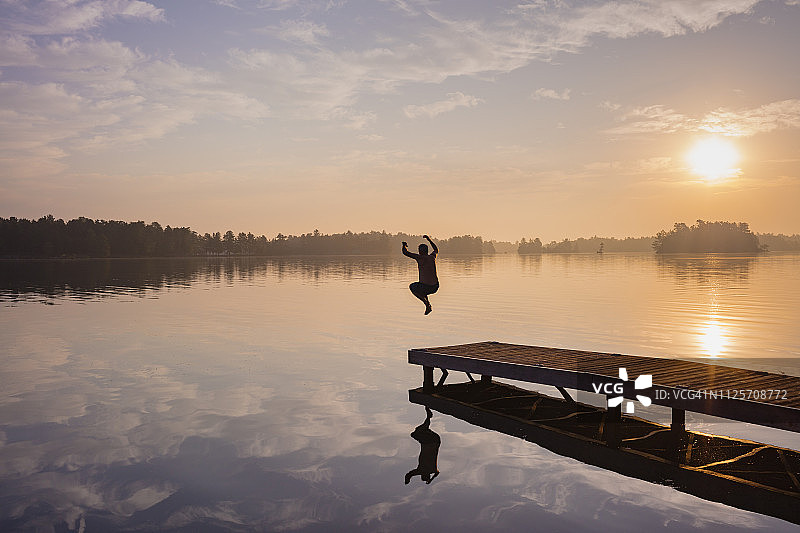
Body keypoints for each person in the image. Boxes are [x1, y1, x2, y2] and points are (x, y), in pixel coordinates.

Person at [402, 235, 439, 315]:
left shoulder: (419, 258)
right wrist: (429, 239)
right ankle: (427, 303)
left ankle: (427, 304)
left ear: (420, 251)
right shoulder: (432, 257)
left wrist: (404, 245)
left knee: (412, 286)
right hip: (435, 287)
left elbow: (405, 252)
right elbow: (436, 249)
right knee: (421, 290)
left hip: (425, 287)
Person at [405, 407, 441, 484]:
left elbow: (437, 473)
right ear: (423, 474)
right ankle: (428, 418)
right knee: (416, 433)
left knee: (417, 433)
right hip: (431, 442)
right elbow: (408, 475)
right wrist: (407, 480)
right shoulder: (420, 470)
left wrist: (431, 480)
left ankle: (428, 419)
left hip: (435, 441)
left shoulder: (433, 470)